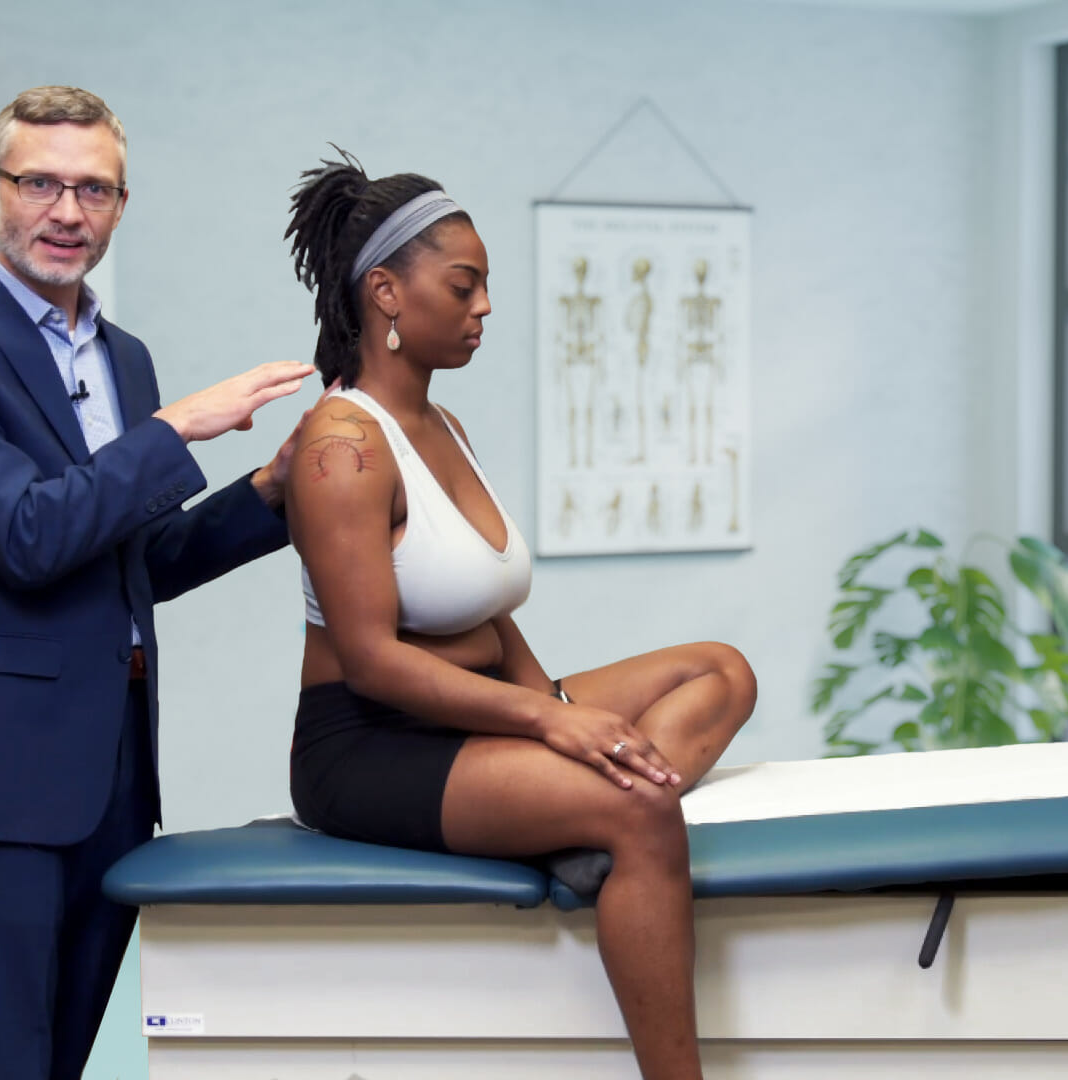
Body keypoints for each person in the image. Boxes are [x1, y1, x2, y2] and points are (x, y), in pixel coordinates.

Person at [0, 86, 313, 1080]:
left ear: (120, 205)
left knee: (53, 1060)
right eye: (41, 184)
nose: (67, 211)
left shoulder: (123, 359)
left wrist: (270, 494)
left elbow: (132, 563)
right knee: (2, 1061)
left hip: (110, 772)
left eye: (94, 190)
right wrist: (177, 429)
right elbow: (26, 535)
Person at [283, 153, 757, 1080]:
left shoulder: (445, 428)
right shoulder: (340, 447)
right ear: (386, 293)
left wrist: (557, 712)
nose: (485, 307)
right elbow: (373, 659)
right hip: (372, 746)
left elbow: (491, 611)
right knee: (642, 808)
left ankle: (567, 825)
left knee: (720, 671)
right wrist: (550, 724)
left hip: (479, 713)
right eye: (464, 286)